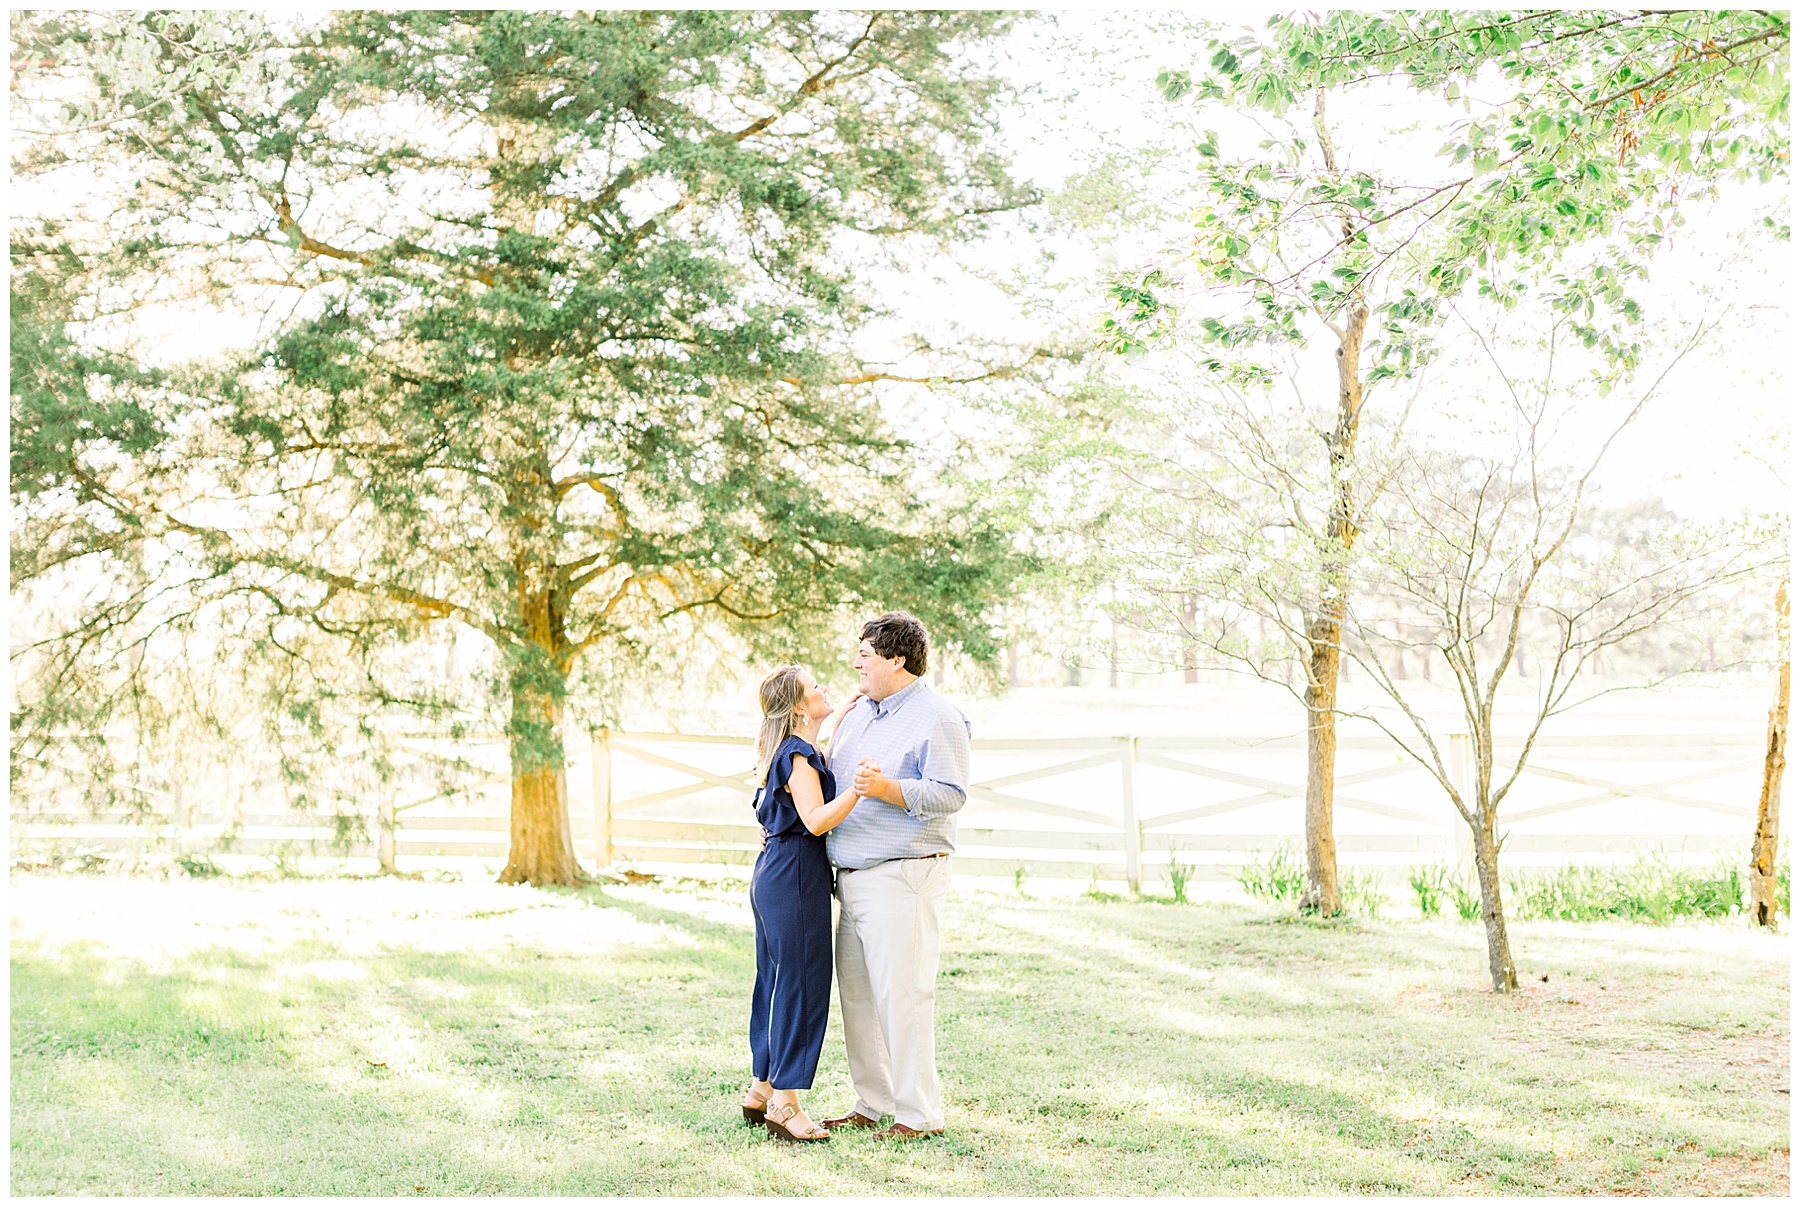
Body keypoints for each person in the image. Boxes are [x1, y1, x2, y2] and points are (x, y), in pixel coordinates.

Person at [820, 611, 971, 1141]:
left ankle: (918, 1114)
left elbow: (950, 793)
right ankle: (874, 1101)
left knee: (903, 996)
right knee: (859, 996)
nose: (855, 661)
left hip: (904, 876)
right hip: (852, 876)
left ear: (896, 659)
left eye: (865, 653)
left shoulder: (939, 717)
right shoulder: (860, 712)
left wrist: (887, 789)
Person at [741, 665, 864, 1143]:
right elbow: (814, 820)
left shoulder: (789, 750)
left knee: (775, 981)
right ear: (797, 707)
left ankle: (761, 1088)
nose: (825, 688)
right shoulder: (797, 754)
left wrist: (833, 728)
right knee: (803, 985)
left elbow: (801, 791)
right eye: (816, 688)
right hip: (794, 876)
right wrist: (860, 788)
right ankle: (787, 1104)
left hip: (774, 871)